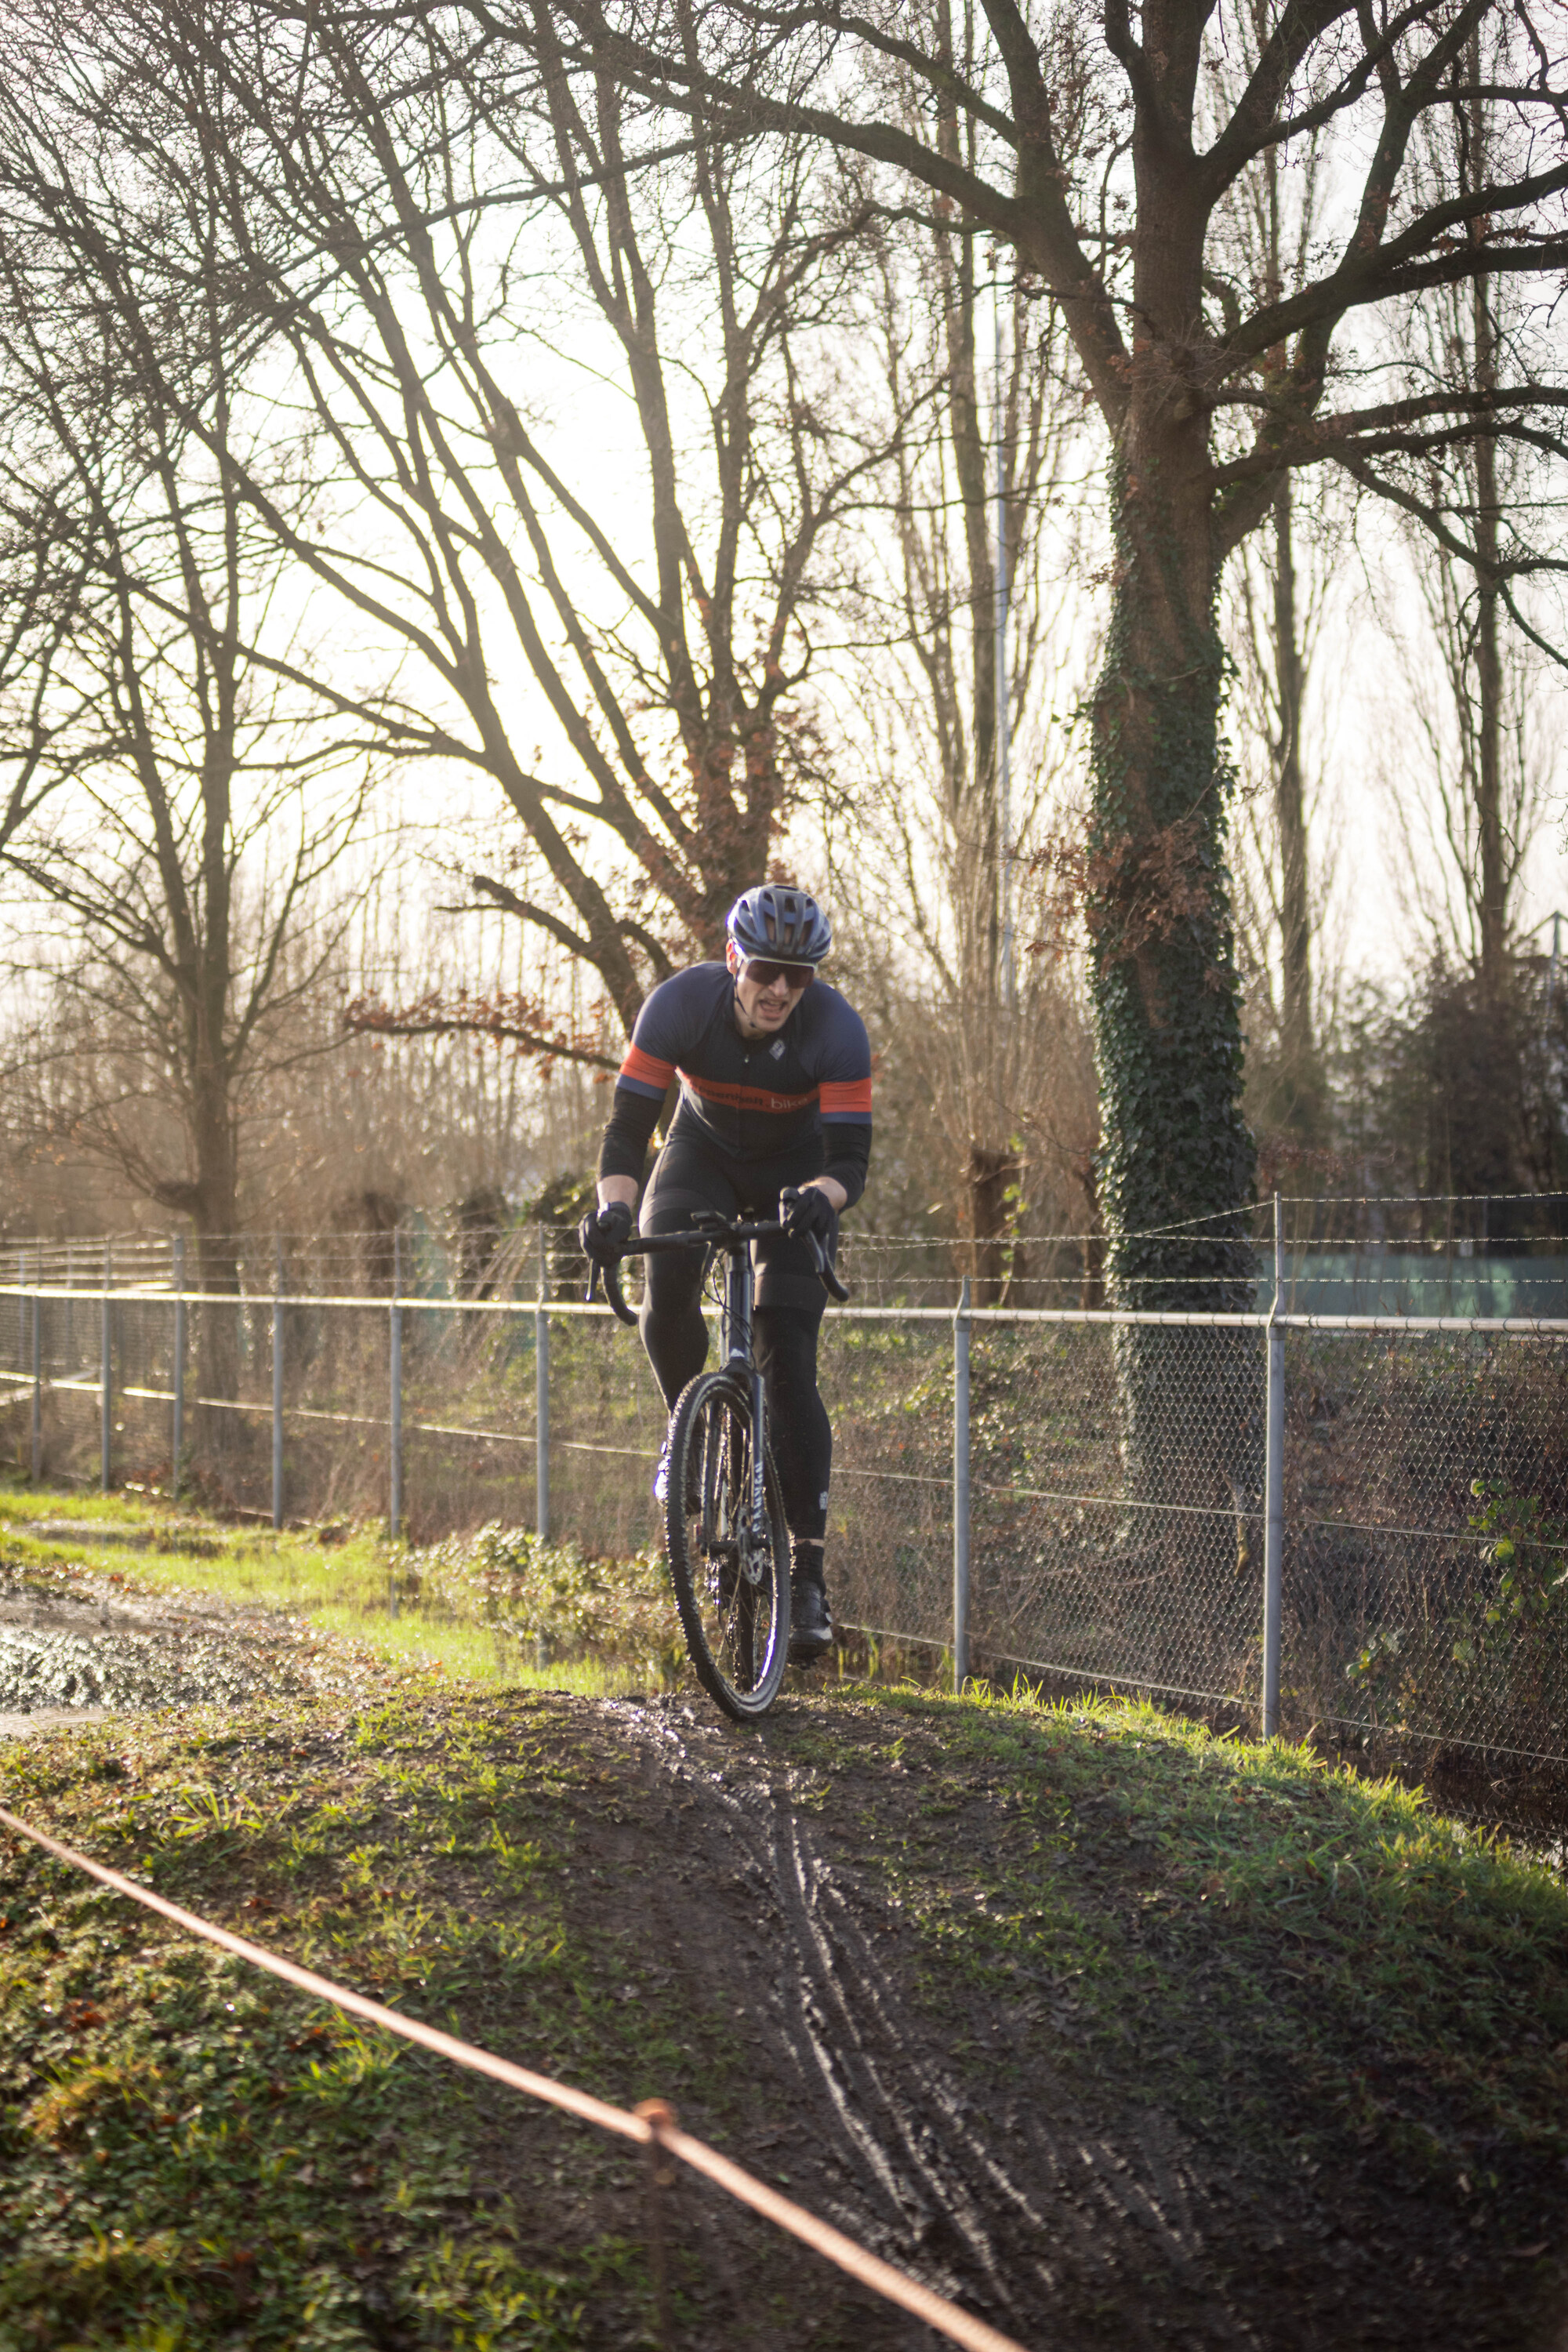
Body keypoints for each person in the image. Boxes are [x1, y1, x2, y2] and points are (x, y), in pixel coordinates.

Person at [579, 884, 871, 1664]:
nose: (780, 989)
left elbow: (849, 1161)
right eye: (768, 970)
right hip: (699, 1155)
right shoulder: (679, 1006)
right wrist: (612, 1210)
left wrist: (821, 1198)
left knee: (786, 1355)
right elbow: (627, 1129)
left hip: (797, 1177)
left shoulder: (836, 1031)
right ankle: (687, 1426)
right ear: (734, 960)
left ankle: (805, 1576)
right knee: (664, 1267)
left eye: (798, 976)